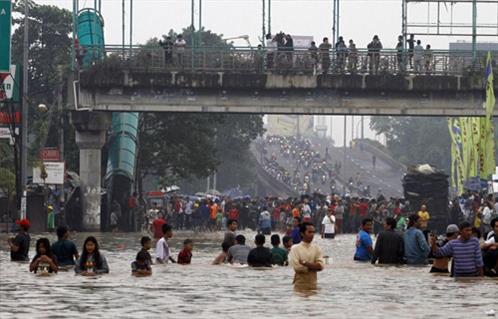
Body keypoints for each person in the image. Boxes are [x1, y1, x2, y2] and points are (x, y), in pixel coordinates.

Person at [289, 222, 324, 289]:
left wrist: (305, 263)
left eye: (313, 232)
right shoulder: (295, 248)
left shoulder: (317, 248)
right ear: (302, 233)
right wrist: (314, 266)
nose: (312, 234)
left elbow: (321, 266)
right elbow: (298, 268)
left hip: (313, 285)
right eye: (309, 232)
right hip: (299, 286)